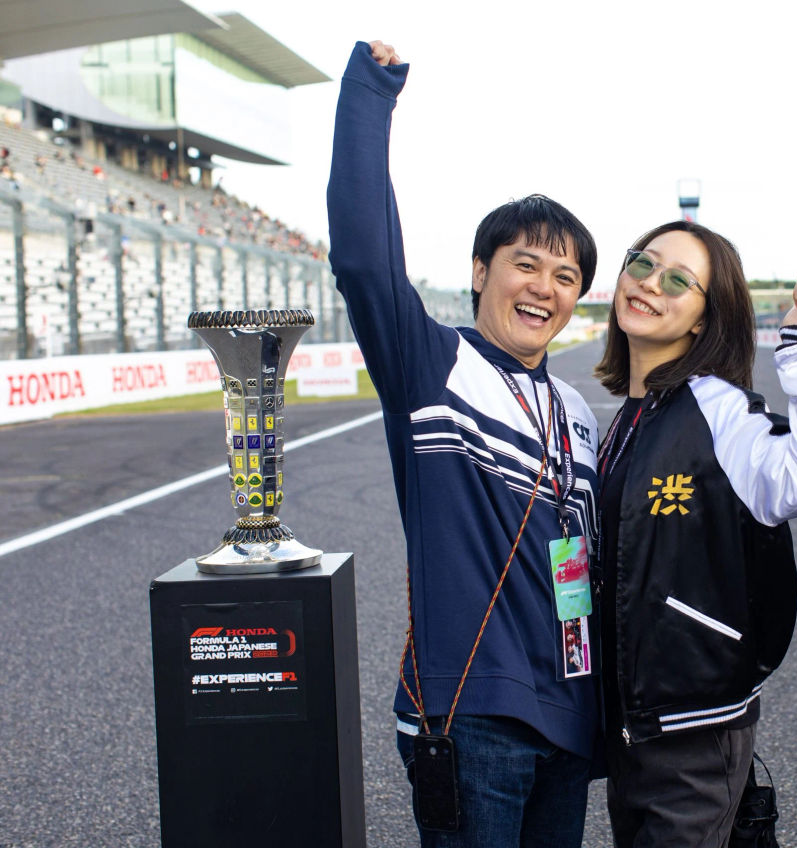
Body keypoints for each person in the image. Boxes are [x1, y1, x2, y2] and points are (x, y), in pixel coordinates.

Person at [328, 40, 602, 847]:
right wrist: (369, 97)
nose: (544, 288)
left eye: (565, 276)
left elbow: (580, 575)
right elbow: (364, 262)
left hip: (567, 720)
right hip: (471, 712)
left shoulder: (578, 413)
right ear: (480, 271)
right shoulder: (432, 365)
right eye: (527, 265)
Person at [593, 221, 797, 847]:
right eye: (642, 264)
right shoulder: (628, 416)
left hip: (695, 728)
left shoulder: (718, 409)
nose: (649, 285)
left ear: (702, 319)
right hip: (634, 725)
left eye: (678, 281)